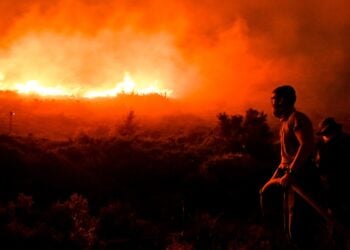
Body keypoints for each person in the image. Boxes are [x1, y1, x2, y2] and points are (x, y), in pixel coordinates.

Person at [261, 85, 319, 249]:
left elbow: (306, 145)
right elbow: (286, 157)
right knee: (287, 223)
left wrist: (291, 173)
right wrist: (275, 176)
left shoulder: (297, 119)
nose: (272, 103)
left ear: (282, 101)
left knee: (298, 227)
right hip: (290, 177)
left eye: (273, 99)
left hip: (301, 178)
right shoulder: (286, 122)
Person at [315, 117, 350, 249]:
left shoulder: (326, 149)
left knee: (337, 228)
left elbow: (321, 171)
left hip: (336, 194)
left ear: (325, 133)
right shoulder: (348, 140)